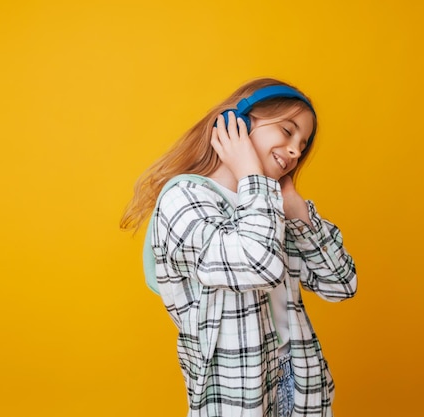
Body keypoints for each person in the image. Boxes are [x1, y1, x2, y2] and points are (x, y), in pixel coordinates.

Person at [120, 78, 357, 417]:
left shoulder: (273, 205)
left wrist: (298, 211)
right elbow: (258, 264)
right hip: (236, 395)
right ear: (238, 124)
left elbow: (341, 284)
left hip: (299, 379)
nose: (294, 151)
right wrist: (250, 171)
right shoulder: (184, 199)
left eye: (302, 146)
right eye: (287, 131)